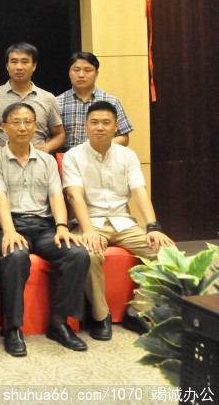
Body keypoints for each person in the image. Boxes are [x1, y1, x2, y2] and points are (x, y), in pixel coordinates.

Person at [63, 101, 175, 341]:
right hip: (91, 221)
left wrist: (152, 227)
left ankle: (137, 311)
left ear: (116, 127)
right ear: (85, 126)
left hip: (123, 222)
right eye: (94, 122)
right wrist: (88, 230)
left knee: (168, 252)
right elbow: (75, 196)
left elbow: (140, 192)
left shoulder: (127, 156)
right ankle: (100, 316)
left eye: (106, 123)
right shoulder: (73, 156)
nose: (100, 127)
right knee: (88, 254)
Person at [0, 103, 89, 357]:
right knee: (15, 255)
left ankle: (59, 323)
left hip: (44, 226)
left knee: (78, 254)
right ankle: (13, 328)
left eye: (28, 121)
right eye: (16, 122)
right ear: (4, 127)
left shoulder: (48, 160)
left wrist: (62, 227)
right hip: (10, 224)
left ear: (35, 126)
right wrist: (10, 231)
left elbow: (56, 196)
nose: (23, 127)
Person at [0, 42, 65, 154]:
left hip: (37, 159)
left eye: (25, 62)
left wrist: (47, 147)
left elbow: (59, 134)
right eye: (14, 62)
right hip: (1, 159)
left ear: (34, 66)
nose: (19, 67)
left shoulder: (48, 98)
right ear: (7, 66)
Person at [56, 51, 133, 150]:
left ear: (96, 74)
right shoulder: (57, 102)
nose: (81, 75)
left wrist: (97, 147)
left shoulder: (111, 101)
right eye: (76, 70)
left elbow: (124, 137)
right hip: (68, 156)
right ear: (69, 73)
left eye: (87, 70)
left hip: (102, 154)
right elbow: (51, 137)